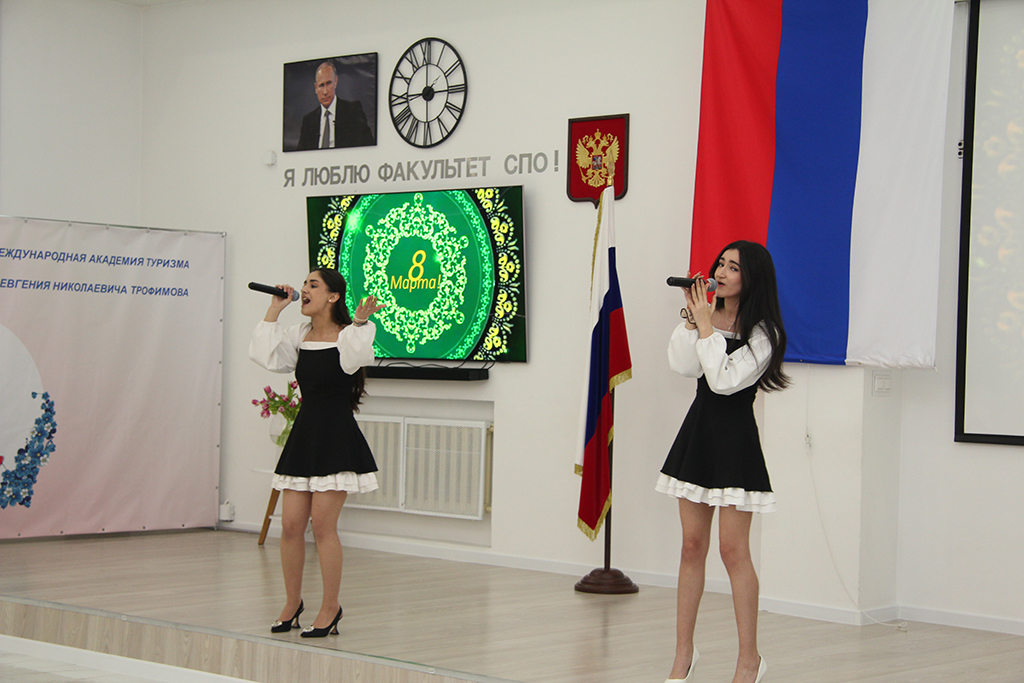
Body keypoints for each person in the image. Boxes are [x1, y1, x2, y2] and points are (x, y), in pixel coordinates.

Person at [657, 240, 789, 683]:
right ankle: (683, 654)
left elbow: (724, 380)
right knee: (691, 547)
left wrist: (706, 327)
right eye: (720, 264)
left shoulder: (765, 332)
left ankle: (750, 660)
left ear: (752, 278)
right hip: (699, 436)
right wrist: (693, 320)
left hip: (735, 444)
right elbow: (683, 367)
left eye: (733, 267)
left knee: (733, 552)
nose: (721, 272)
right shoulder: (706, 318)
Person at [249, 269, 385, 638]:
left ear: (333, 296)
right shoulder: (299, 334)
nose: (304, 290)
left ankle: (330, 608)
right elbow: (266, 356)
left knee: (323, 527)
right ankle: (292, 604)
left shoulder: (349, 335)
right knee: (291, 526)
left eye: (313, 285)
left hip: (336, 438)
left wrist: (360, 321)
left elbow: (358, 355)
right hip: (305, 436)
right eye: (304, 285)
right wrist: (275, 309)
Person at [296, 61, 375, 150]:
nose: (325, 92)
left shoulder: (353, 112)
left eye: (328, 83)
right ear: (316, 88)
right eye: (321, 85)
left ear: (335, 82)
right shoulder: (308, 121)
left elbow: (368, 147)